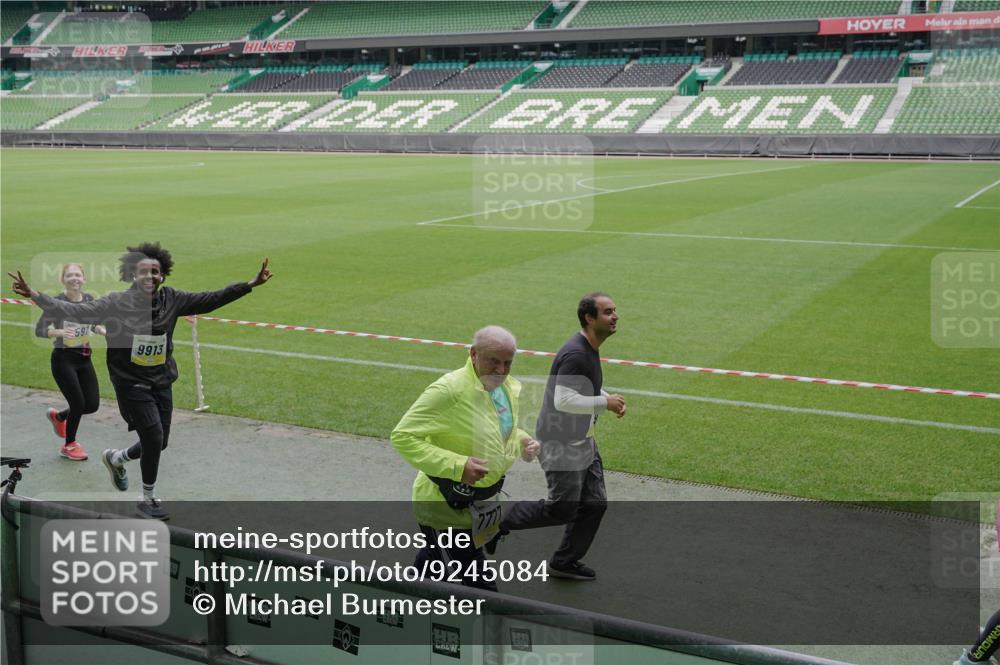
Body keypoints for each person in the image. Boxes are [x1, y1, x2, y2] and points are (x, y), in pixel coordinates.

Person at [10, 243, 272, 520]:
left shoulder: (172, 299)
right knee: (153, 435)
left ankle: (117, 458)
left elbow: (211, 299)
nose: (150, 276)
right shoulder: (116, 303)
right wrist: (35, 295)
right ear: (133, 275)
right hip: (130, 381)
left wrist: (250, 284)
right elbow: (75, 311)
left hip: (161, 379)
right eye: (143, 271)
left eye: (155, 272)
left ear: (163, 275)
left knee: (160, 442)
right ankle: (148, 498)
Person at [391, 325, 540, 591]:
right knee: (481, 590)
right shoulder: (449, 390)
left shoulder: (503, 388)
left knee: (433, 564)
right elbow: (402, 436)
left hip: (477, 508)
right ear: (473, 354)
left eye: (508, 362)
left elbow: (502, 430)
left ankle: (403, 600)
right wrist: (459, 466)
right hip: (445, 510)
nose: (501, 370)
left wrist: (523, 441)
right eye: (494, 361)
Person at [494, 292, 626, 581]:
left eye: (614, 310)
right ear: (589, 318)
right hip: (561, 446)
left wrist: (606, 398)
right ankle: (496, 520)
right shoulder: (577, 354)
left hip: (583, 441)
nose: (615, 316)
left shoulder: (588, 348)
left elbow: (582, 389)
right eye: (607, 312)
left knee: (594, 504)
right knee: (561, 510)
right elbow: (563, 400)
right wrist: (605, 403)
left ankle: (564, 562)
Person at [34, 263, 105, 461]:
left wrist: (101, 330)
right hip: (63, 360)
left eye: (78, 275)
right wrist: (60, 332)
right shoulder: (56, 303)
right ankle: (69, 445)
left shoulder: (89, 300)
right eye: (70, 275)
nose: (74, 278)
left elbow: (92, 322)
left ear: (84, 279)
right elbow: (40, 330)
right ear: (63, 280)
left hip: (84, 359)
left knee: (91, 405)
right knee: (78, 403)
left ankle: (59, 417)